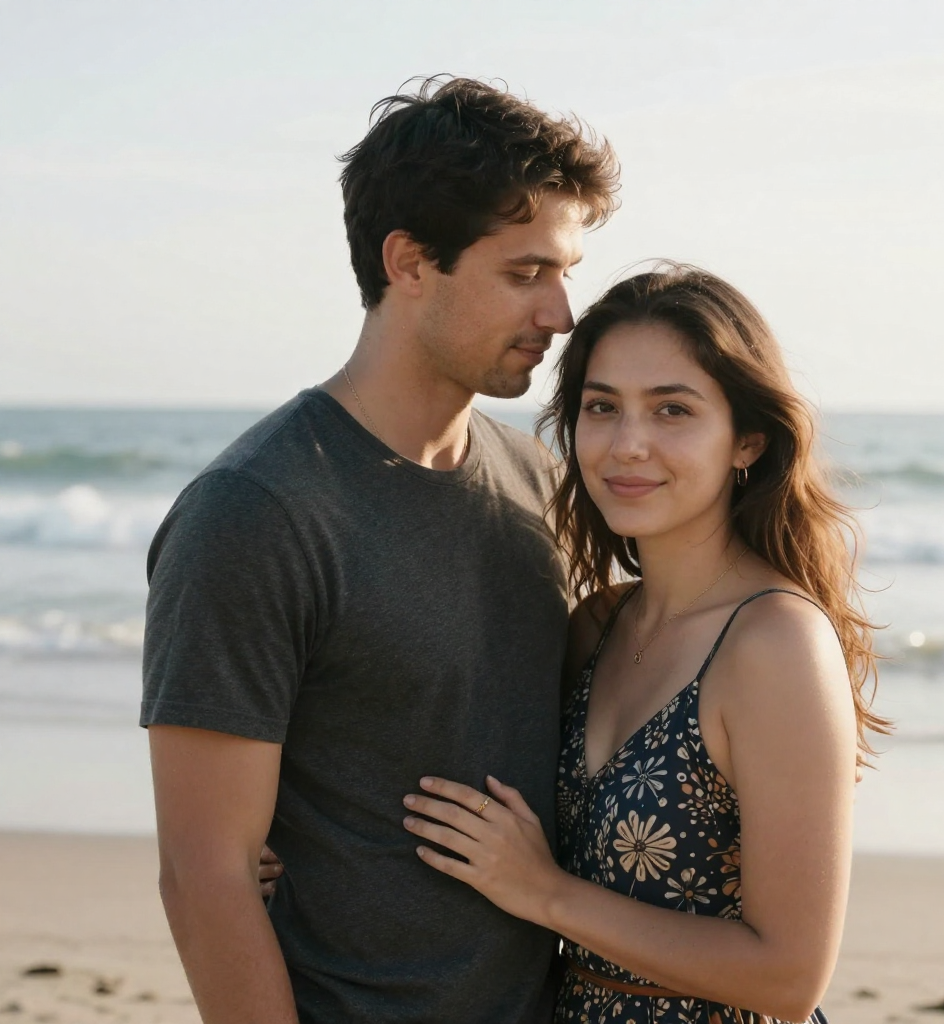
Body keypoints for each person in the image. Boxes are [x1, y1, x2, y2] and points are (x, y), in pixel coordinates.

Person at [141, 77, 618, 1024]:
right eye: (525, 273)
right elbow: (205, 876)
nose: (561, 315)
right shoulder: (255, 512)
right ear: (409, 262)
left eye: (565, 273)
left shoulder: (538, 481)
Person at [399, 267, 890, 1024]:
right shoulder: (596, 626)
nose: (629, 444)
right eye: (603, 408)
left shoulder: (774, 644)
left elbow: (790, 978)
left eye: (672, 410)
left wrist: (546, 894)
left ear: (747, 441)